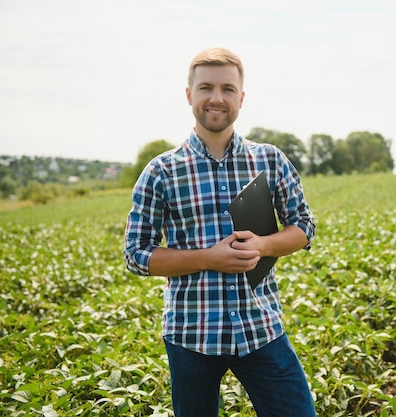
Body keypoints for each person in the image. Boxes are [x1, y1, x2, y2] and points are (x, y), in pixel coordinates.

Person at [123, 47, 317, 417]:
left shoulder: (270, 160)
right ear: (189, 95)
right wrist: (210, 258)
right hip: (191, 334)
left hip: (260, 326)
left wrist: (264, 244)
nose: (216, 98)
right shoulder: (161, 171)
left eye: (228, 89)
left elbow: (304, 227)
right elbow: (137, 254)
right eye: (206, 87)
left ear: (240, 98)